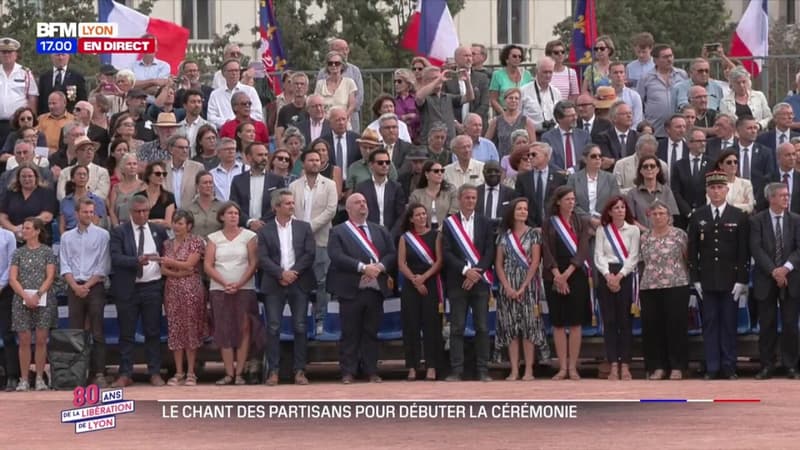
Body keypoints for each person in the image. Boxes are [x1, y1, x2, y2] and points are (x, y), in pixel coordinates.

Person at [327, 193, 396, 383]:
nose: (362, 205)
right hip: (350, 289)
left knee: (371, 332)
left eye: (364, 202)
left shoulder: (380, 230)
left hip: (375, 290)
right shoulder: (339, 231)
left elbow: (391, 254)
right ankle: (348, 371)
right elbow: (336, 256)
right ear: (348, 209)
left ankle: (371, 370)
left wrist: (379, 268)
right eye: (358, 203)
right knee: (350, 333)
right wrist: (363, 267)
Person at [688, 171, 750, 380]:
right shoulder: (698, 216)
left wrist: (742, 279)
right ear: (707, 190)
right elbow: (693, 249)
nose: (716, 192)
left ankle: (729, 366)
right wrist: (695, 279)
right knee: (710, 324)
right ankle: (712, 367)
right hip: (706, 280)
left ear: (726, 189)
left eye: (720, 187)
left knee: (729, 324)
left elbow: (743, 251)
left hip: (730, 279)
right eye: (712, 188)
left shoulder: (738, 216)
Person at [109, 195, 169, 387]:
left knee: (153, 331)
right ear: (130, 212)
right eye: (137, 211)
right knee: (126, 333)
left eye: (145, 211)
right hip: (128, 288)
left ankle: (154, 372)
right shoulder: (119, 231)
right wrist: (137, 260)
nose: (142, 214)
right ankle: (125, 373)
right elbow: (115, 257)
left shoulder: (159, 231)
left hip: (152, 286)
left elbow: (167, 254)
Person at [257, 190, 315, 386]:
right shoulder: (265, 230)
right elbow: (262, 258)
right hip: (274, 283)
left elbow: (309, 254)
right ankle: (273, 371)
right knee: (273, 327)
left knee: (300, 326)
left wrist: (292, 273)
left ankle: (299, 370)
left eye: (293, 202)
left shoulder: (304, 227)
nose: (292, 206)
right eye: (288, 203)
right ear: (276, 207)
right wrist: (281, 273)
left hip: (299, 281)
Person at [204, 202, 263, 385]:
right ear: (222, 216)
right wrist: (225, 283)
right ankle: (228, 373)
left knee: (244, 329)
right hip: (219, 290)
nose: (233, 216)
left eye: (236, 213)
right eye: (229, 213)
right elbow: (208, 264)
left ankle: (239, 374)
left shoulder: (249, 236)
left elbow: (254, 263)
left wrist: (238, 283)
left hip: (244, 288)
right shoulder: (213, 238)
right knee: (224, 329)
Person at [442, 185, 496, 382]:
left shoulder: (485, 222)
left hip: (480, 282)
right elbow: (446, 252)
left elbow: (490, 250)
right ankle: (457, 370)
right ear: (459, 198)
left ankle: (483, 369)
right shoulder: (449, 224)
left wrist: (477, 272)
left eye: (474, 198)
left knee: (482, 327)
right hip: (458, 282)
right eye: (467, 198)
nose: (471, 201)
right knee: (457, 327)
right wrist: (466, 271)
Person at [750, 183, 800, 380]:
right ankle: (767, 365)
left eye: (787, 196)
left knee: (790, 324)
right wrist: (774, 271)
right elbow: (756, 249)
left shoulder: (796, 220)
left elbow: (799, 249)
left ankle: (790, 365)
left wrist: (785, 268)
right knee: (767, 324)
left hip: (792, 278)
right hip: (766, 278)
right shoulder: (757, 221)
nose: (786, 199)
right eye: (782, 196)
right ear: (771, 198)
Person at [541, 186, 591, 380]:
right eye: (568, 199)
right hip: (553, 274)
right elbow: (546, 249)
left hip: (575, 274)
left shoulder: (582, 221)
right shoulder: (548, 223)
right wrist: (557, 275)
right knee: (559, 323)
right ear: (558, 202)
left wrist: (567, 274)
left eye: (573, 199)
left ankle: (573, 367)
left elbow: (583, 249)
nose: (571, 202)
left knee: (576, 323)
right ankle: (562, 367)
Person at [495, 198, 547, 381]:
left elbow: (535, 262)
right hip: (507, 285)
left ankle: (529, 370)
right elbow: (499, 265)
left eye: (525, 209)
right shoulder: (503, 235)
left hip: (528, 285)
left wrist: (524, 286)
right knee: (511, 329)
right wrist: (507, 287)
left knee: (528, 328)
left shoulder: (534, 234)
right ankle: (514, 369)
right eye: (519, 209)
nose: (523, 212)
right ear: (512, 212)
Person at [60, 198, 110, 387]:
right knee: (76, 333)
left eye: (91, 212)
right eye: (85, 212)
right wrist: (75, 286)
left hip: (94, 286)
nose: (89, 215)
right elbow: (64, 264)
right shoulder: (66, 237)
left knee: (97, 331)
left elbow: (103, 265)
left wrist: (86, 286)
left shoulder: (103, 235)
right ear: (76, 214)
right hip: (74, 287)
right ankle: (77, 374)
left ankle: (99, 373)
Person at [639, 200, 690, 379]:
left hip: (676, 284)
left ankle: (677, 366)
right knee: (653, 328)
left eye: (662, 213)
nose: (658, 217)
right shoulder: (644, 237)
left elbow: (687, 257)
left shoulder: (680, 235)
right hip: (650, 286)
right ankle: (657, 366)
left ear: (669, 217)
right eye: (655, 214)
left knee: (675, 326)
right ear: (649, 217)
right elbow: (640, 261)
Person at [289, 149, 338, 335]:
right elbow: (289, 209)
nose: (315, 163)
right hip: (297, 242)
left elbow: (331, 210)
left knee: (322, 281)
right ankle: (301, 319)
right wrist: (301, 230)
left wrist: (308, 228)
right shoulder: (294, 186)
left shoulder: (330, 185)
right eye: (311, 160)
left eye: (318, 160)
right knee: (300, 281)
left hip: (321, 240)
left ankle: (321, 320)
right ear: (303, 163)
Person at [593, 196, 640, 380]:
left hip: (626, 275)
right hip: (607, 275)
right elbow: (598, 255)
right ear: (610, 212)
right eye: (616, 208)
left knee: (625, 322)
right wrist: (608, 275)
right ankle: (613, 363)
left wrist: (620, 276)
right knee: (610, 322)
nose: (620, 210)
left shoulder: (634, 230)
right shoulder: (602, 230)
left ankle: (626, 364)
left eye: (622, 207)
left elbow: (634, 256)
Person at [8, 218, 57, 391]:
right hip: (21, 300)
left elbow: (50, 277)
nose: (24, 231)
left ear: (37, 231)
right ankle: (23, 379)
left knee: (42, 340)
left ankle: (39, 378)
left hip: (43, 299)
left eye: (28, 228)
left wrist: (37, 295)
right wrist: (25, 296)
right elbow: (12, 278)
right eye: (24, 228)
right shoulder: (18, 253)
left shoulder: (47, 252)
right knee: (24, 340)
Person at [397, 204, 443, 381]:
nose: (422, 217)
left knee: (432, 326)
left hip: (430, 282)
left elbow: (439, 262)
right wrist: (415, 281)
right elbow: (401, 264)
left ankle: (432, 365)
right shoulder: (405, 238)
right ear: (411, 219)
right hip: (411, 285)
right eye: (418, 215)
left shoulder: (436, 235)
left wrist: (424, 278)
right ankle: (412, 366)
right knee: (411, 326)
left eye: (424, 214)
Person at [160, 210, 206, 387]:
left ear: (189, 226)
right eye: (175, 222)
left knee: (190, 329)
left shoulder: (196, 242)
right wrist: (179, 273)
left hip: (192, 290)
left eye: (180, 223)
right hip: (172, 290)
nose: (177, 226)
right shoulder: (167, 244)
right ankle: (178, 372)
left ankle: (191, 372)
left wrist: (172, 265)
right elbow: (163, 270)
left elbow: (190, 264)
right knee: (175, 329)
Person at [230, 142, 285, 230]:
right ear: (249, 157)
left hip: (270, 229)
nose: (264, 158)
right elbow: (234, 205)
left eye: (266, 155)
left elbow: (279, 204)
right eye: (260, 155)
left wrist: (262, 223)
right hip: (243, 229)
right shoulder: (238, 180)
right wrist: (250, 222)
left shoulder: (277, 180)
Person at [0, 163, 57, 243]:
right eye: (23, 176)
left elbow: (47, 216)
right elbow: (2, 217)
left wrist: (25, 228)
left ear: (36, 177)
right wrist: (15, 229)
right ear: (18, 178)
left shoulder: (46, 192)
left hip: (39, 240)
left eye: (30, 176)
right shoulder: (10, 193)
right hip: (14, 238)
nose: (26, 179)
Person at [568, 144, 620, 226]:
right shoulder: (573, 179)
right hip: (579, 223)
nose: (598, 158)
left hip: (605, 222)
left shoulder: (610, 178)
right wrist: (589, 219)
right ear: (585, 159)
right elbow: (571, 203)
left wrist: (603, 219)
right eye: (593, 156)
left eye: (600, 156)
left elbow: (615, 202)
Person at [355, 148, 405, 234]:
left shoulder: (396, 187)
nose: (384, 165)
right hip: (369, 234)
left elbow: (401, 215)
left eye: (387, 162)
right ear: (371, 165)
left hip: (392, 235)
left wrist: (392, 235)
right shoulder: (362, 188)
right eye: (380, 163)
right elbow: (358, 213)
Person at [626, 155, 679, 230]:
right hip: (641, 236)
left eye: (652, 166)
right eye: (645, 166)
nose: (649, 168)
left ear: (658, 169)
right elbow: (631, 219)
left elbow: (671, 217)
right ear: (640, 170)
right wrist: (647, 232)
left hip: (663, 236)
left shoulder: (667, 191)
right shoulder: (632, 193)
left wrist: (659, 232)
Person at [408, 160, 459, 230]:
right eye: (436, 171)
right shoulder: (416, 194)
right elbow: (413, 215)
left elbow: (454, 212)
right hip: (422, 231)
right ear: (426, 174)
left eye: (442, 171)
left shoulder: (451, 191)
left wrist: (443, 228)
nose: (440, 173)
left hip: (447, 230)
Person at [59, 164, 107, 235]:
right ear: (72, 178)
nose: (82, 176)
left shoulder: (97, 200)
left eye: (84, 174)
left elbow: (95, 223)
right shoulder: (65, 201)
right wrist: (65, 239)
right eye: (79, 174)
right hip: (69, 237)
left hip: (89, 236)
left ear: (88, 178)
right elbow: (62, 225)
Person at [486, 88, 536, 157]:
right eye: (510, 98)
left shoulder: (526, 121)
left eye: (516, 98)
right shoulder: (496, 121)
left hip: (520, 162)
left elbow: (533, 146)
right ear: (505, 100)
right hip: (501, 162)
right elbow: (486, 142)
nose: (513, 100)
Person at [314, 51, 357, 127]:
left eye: (337, 63)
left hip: (343, 124)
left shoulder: (349, 83)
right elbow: (316, 104)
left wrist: (342, 119)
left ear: (342, 65)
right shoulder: (320, 84)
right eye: (330, 63)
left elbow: (352, 105)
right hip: (324, 123)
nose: (333, 65)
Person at [489, 44, 533, 115]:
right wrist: (504, 114)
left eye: (520, 56)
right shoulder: (497, 75)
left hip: (523, 113)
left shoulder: (527, 75)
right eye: (514, 56)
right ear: (506, 59)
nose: (517, 58)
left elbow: (531, 96)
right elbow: (493, 100)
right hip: (504, 112)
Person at [164, 135, 204, 210]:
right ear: (171, 149)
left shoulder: (198, 168)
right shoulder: (162, 168)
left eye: (187, 148)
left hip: (191, 214)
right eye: (181, 148)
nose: (185, 151)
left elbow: (201, 193)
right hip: (167, 215)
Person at [0, 226, 18, 390]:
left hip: (5, 290)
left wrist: (1, 284)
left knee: (7, 334)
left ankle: (12, 375)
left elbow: (12, 263)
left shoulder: (8, 236)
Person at [712, 149, 754, 214]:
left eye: (735, 162)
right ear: (721, 165)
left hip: (741, 221)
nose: (733, 165)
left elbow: (750, 207)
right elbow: (713, 206)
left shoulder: (746, 184)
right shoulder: (714, 184)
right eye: (729, 162)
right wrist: (741, 205)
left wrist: (727, 206)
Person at [108, 152, 144, 227]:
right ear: (123, 168)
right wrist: (116, 226)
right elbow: (111, 210)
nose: (132, 166)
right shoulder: (115, 187)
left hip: (137, 226)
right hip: (119, 226)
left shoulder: (143, 186)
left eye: (134, 164)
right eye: (129, 164)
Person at [136, 161, 176, 228]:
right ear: (149, 176)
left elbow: (168, 223)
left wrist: (148, 222)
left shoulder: (169, 197)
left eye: (164, 174)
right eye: (158, 174)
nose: (161, 176)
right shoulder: (139, 196)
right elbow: (136, 220)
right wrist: (159, 221)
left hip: (162, 235)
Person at [186, 171, 223, 239]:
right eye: (205, 183)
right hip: (195, 246)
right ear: (197, 186)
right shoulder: (189, 208)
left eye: (210, 182)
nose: (208, 185)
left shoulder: (221, 207)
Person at [394, 69, 420, 143]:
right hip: (399, 138)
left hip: (417, 137)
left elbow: (422, 116)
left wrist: (414, 117)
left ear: (408, 83)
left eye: (399, 81)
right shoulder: (393, 101)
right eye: (395, 82)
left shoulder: (416, 99)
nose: (396, 84)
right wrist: (404, 117)